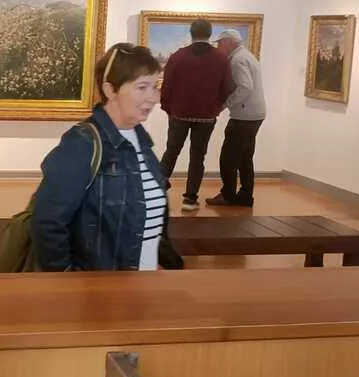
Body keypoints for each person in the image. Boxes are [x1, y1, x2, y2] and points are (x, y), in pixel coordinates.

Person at [30, 42, 184, 272]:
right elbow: (48, 223)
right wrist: (67, 280)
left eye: (155, 86)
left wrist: (155, 261)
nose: (153, 98)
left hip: (144, 284)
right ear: (110, 90)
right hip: (100, 288)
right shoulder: (82, 143)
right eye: (142, 87)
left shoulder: (142, 142)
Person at [158, 18, 234, 211]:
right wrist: (216, 106)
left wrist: (168, 108)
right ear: (210, 34)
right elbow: (228, 87)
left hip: (179, 114)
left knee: (171, 151)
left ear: (191, 33)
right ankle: (190, 199)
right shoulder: (221, 59)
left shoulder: (178, 56)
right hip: (206, 116)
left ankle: (156, 191)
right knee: (198, 156)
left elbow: (166, 85)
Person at [207, 28, 266, 207]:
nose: (218, 47)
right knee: (245, 158)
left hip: (244, 115)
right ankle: (246, 195)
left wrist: (226, 104)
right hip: (255, 114)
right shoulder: (247, 56)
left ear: (229, 42)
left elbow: (245, 87)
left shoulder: (237, 60)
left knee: (228, 157)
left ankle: (228, 195)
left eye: (220, 43)